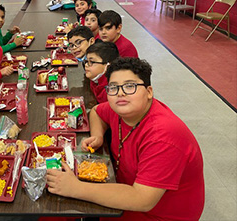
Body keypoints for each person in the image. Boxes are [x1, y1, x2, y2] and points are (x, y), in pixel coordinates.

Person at [48, 58, 204, 220]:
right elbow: (96, 111)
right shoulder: (123, 108)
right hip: (124, 187)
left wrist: (76, 188)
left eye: (130, 86)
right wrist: (97, 135)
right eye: (113, 88)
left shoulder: (163, 135)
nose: (120, 93)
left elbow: (142, 199)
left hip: (156, 213)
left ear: (149, 92)